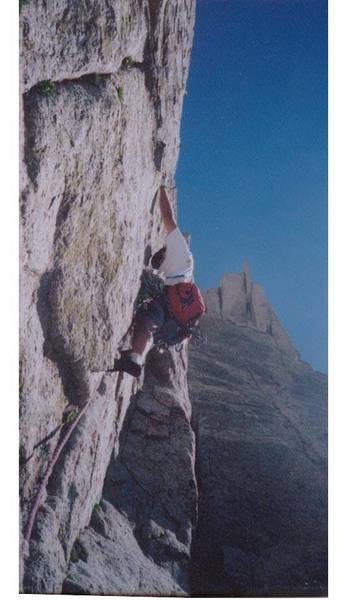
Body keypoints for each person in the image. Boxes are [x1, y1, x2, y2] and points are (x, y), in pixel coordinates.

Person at [110, 183, 204, 377]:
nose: (159, 262)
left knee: (150, 318)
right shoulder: (180, 273)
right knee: (152, 328)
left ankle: (135, 358)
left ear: (166, 252)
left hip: (170, 316)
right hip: (178, 332)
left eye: (160, 257)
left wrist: (161, 188)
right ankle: (136, 358)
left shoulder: (180, 253)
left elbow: (168, 218)